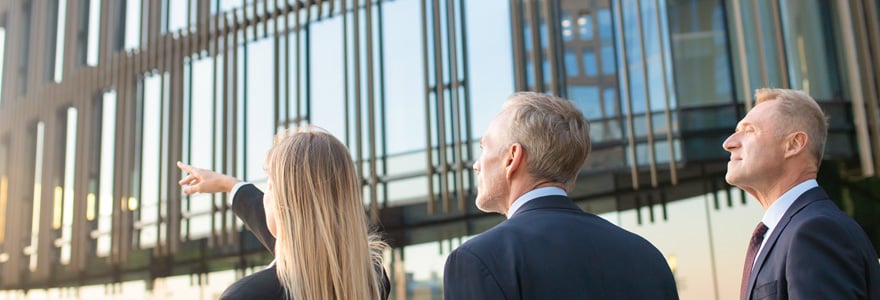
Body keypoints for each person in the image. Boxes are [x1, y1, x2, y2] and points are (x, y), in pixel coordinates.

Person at [443, 92, 679, 299]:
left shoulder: (477, 260)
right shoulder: (647, 257)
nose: (476, 164)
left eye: (484, 148)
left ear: (512, 158)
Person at [177, 127, 390, 300]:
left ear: (285, 207)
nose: (265, 198)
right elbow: (302, 247)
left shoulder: (248, 295)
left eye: (270, 186)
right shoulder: (373, 281)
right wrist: (228, 184)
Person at [723, 88, 880, 299]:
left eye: (749, 130)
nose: (729, 144)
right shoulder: (794, 230)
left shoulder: (815, 230)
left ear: (794, 144)